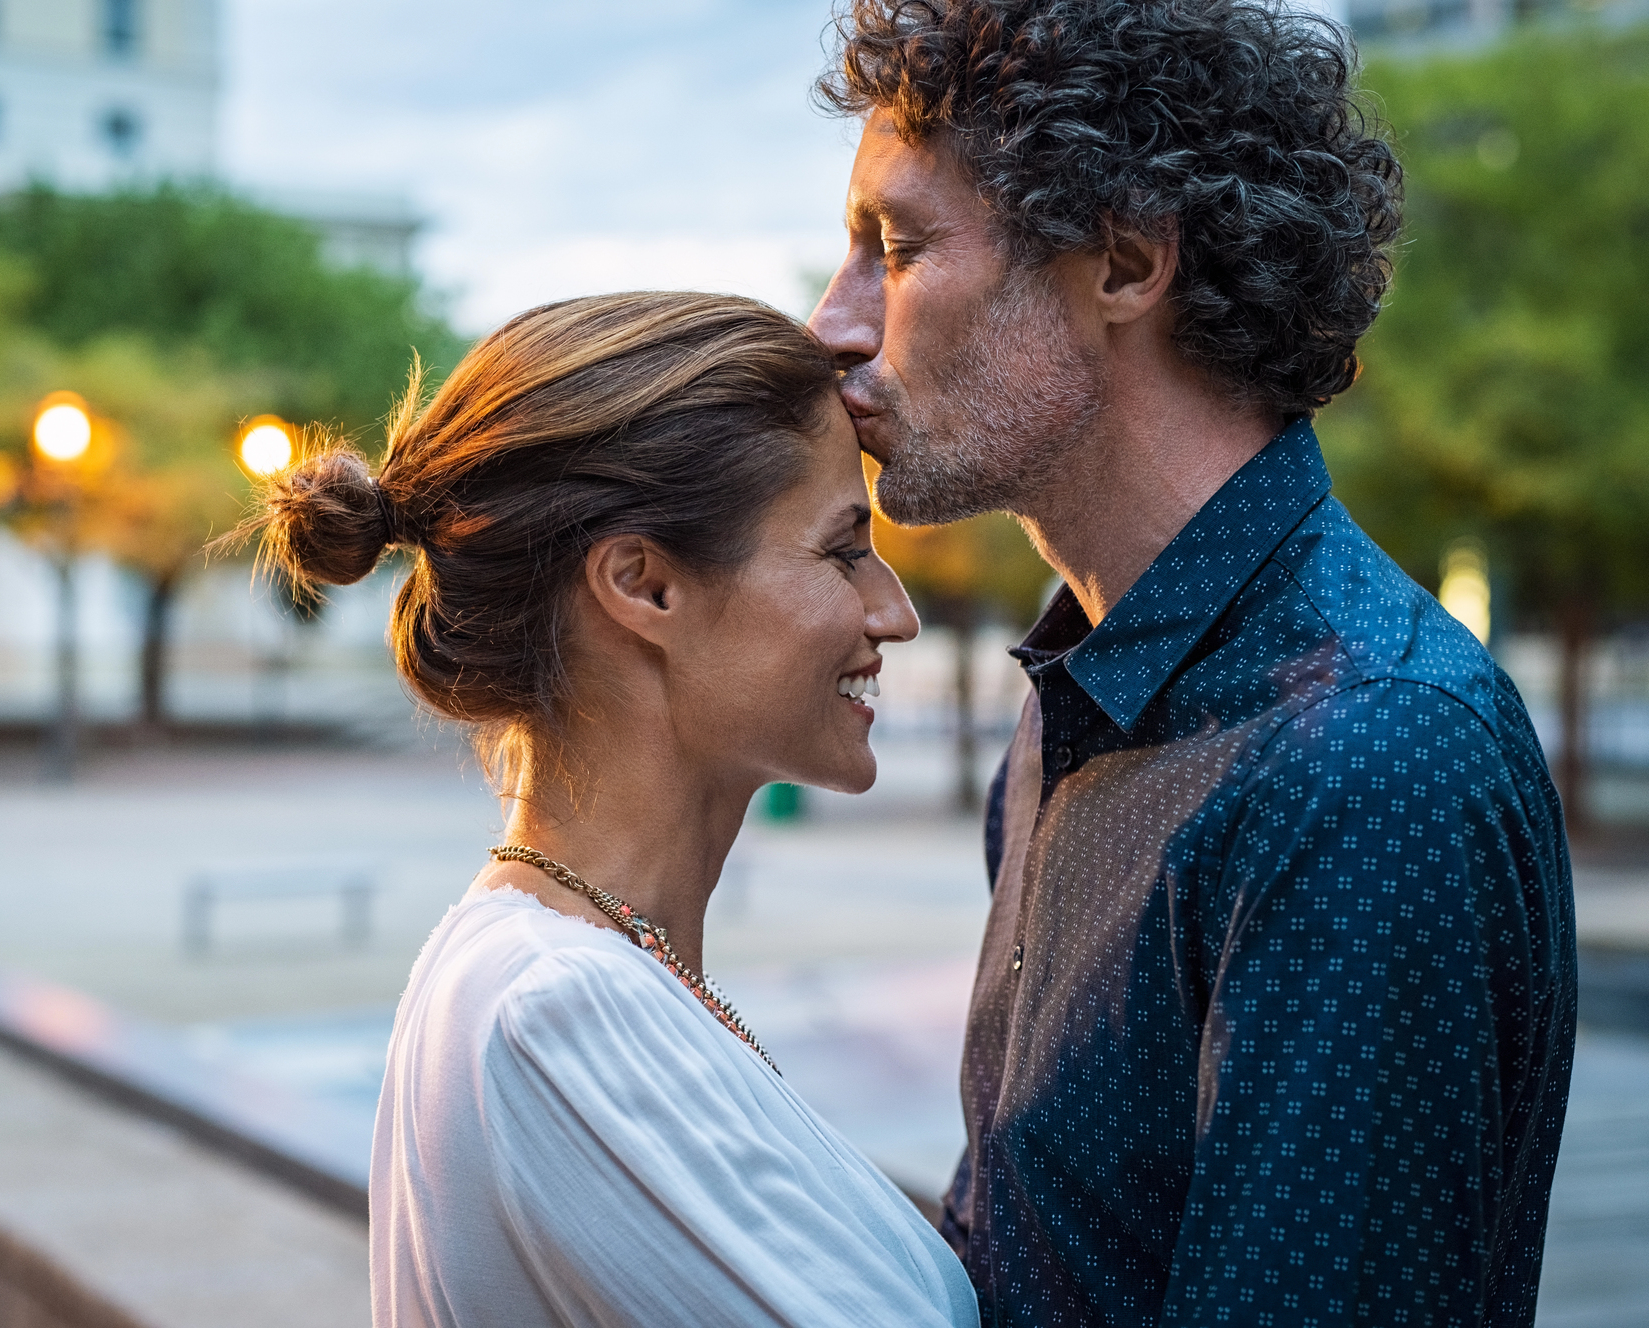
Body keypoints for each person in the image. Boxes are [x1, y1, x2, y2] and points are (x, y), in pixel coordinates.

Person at [808, 1, 1576, 1324]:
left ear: (1122, 263)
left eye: (899, 245)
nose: (834, 322)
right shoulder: (1075, 709)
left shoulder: (1368, 758)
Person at [240, 292, 978, 1327]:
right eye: (841, 548)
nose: (890, 609)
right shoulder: (555, 1012)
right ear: (643, 585)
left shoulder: (553, 976)